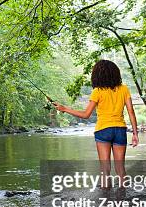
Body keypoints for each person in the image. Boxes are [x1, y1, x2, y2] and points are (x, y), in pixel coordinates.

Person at [53, 59, 138, 189]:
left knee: (105, 168)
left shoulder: (97, 91)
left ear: (97, 75)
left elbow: (86, 115)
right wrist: (135, 134)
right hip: (120, 130)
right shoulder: (124, 89)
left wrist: (65, 109)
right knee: (120, 168)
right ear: (115, 73)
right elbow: (131, 112)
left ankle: (106, 200)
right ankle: (123, 199)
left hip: (103, 130)